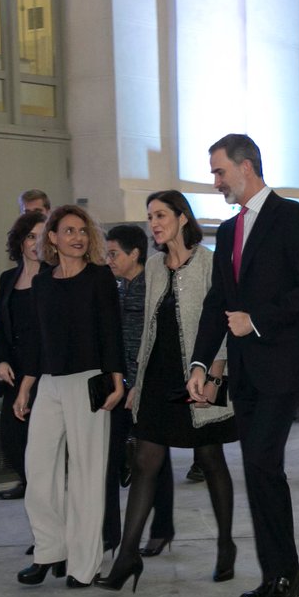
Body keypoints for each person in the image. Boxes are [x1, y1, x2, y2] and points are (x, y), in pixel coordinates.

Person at [185, 133, 299, 597]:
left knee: (264, 464)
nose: (216, 181)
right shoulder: (228, 231)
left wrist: (258, 320)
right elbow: (218, 303)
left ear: (246, 167)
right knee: (257, 469)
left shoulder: (293, 217)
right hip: (245, 372)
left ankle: (286, 571)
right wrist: (200, 363)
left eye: (220, 171)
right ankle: (276, 573)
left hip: (283, 367)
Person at [98, 192, 238, 592]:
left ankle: (225, 544)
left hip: (201, 374)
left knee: (210, 458)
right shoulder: (155, 266)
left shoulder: (210, 261)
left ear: (182, 218)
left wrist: (214, 375)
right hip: (158, 376)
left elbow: (223, 323)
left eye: (161, 215)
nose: (154, 223)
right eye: (150, 217)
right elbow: (149, 328)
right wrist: (137, 383)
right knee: (145, 461)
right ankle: (128, 555)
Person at [14, 205, 124, 588]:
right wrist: (26, 386)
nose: (77, 237)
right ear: (53, 238)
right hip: (49, 382)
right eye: (69, 231)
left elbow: (111, 331)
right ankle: (49, 551)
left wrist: (117, 381)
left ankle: (84, 565)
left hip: (89, 382)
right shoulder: (43, 281)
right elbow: (37, 338)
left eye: (82, 231)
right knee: (38, 469)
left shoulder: (99, 277)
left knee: (86, 475)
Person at [100, 223, 175, 557]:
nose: (109, 260)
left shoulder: (153, 286)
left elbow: (157, 340)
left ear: (135, 254)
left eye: (114, 254)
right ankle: (110, 533)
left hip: (148, 385)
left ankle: (162, 528)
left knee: (155, 460)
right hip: (117, 385)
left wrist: (140, 383)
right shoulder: (113, 286)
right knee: (111, 458)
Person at [0, 211, 46, 502]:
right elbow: (0, 325)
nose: (36, 243)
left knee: (41, 439)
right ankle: (29, 482)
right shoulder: (8, 279)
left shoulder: (53, 276)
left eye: (42, 236)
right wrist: (0, 360)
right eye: (30, 237)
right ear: (20, 241)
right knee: (11, 439)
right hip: (14, 370)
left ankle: (42, 491)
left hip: (44, 370)